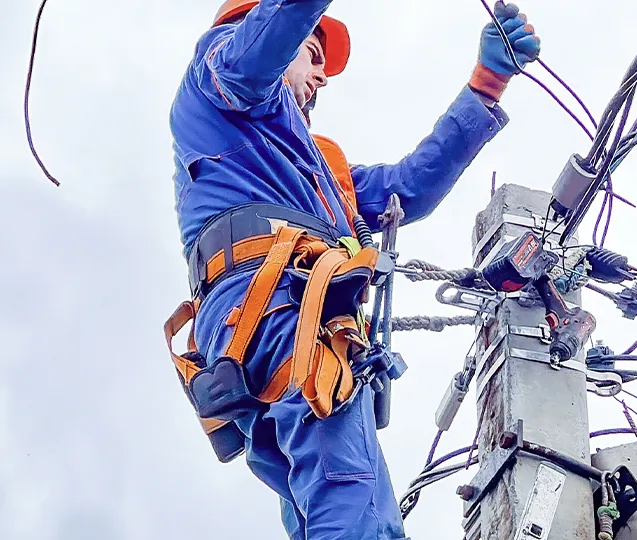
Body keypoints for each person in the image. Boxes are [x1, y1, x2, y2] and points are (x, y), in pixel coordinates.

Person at [163, 0, 542, 538]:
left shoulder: (315, 164)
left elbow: (408, 188)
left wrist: (486, 84)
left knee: (325, 503)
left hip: (260, 319)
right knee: (350, 489)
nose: (322, 77)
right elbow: (272, 31)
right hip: (275, 300)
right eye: (313, 55)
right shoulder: (220, 70)